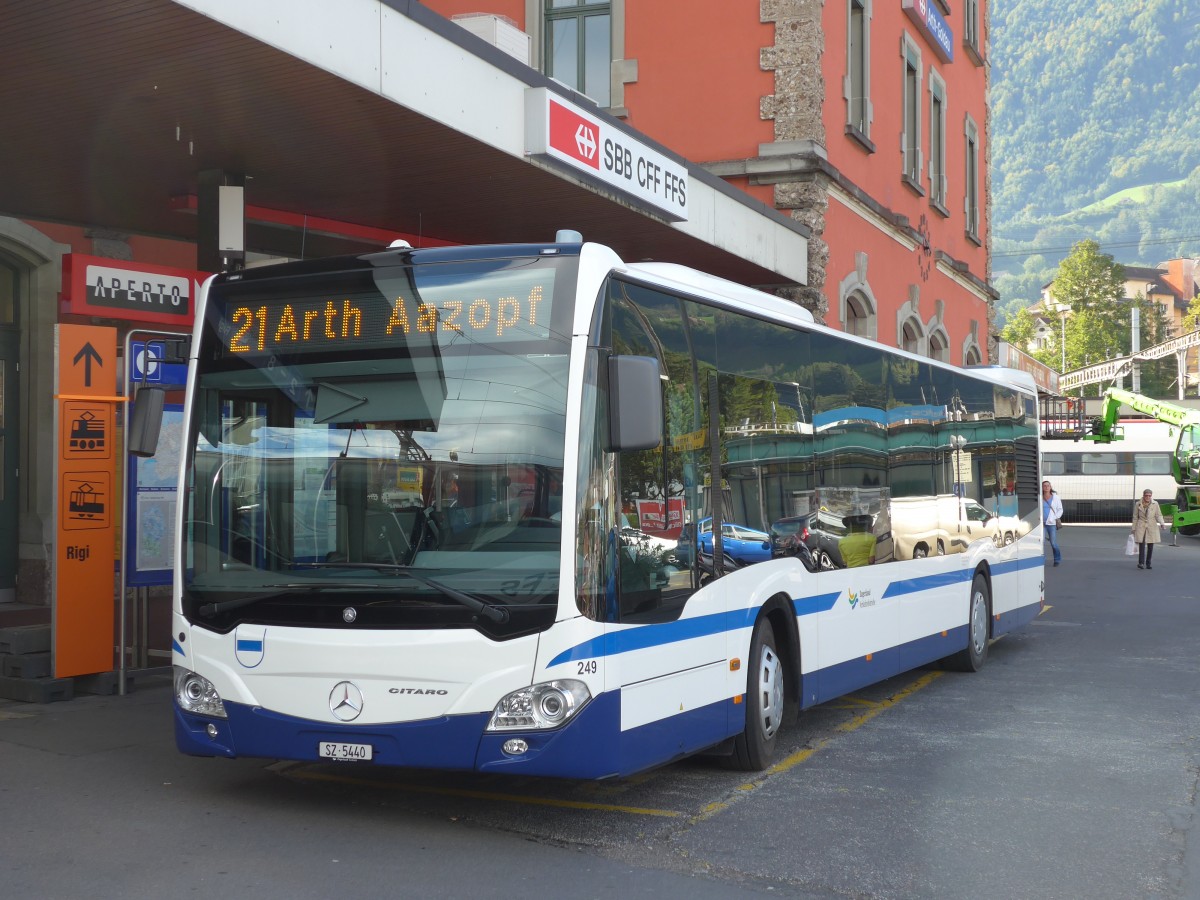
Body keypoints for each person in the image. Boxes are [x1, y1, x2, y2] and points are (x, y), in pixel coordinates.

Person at [1131, 488, 1166, 570]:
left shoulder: (1155, 503)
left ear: (1151, 496)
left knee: (1150, 545)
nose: (1148, 497)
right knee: (1141, 544)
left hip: (1151, 525)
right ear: (1143, 495)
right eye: (1146, 495)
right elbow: (1135, 517)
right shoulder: (1138, 504)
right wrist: (1133, 528)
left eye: (1149, 496)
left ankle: (1148, 563)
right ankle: (1141, 563)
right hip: (1141, 525)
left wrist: (1162, 523)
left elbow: (1158, 515)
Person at [1042, 480, 1063, 566]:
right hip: (1041, 524)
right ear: (1042, 487)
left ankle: (1057, 559)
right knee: (1041, 542)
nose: (1046, 487)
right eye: (1044, 486)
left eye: (1048, 486)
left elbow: (1060, 510)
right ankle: (1041, 559)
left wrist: (1054, 518)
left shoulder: (1055, 497)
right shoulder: (1039, 497)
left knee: (1053, 543)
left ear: (1050, 487)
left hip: (1051, 524)